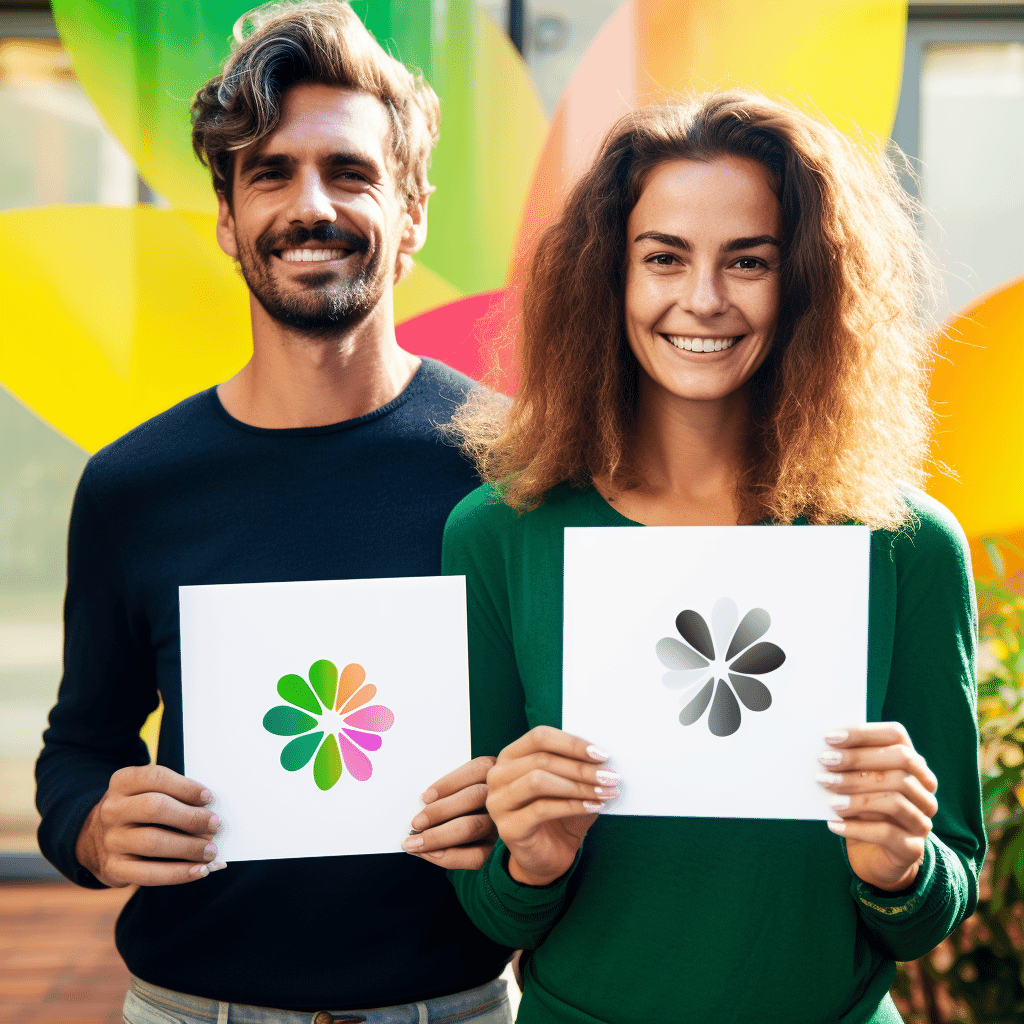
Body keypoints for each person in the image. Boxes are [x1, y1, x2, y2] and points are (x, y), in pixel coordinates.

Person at [441, 93, 986, 1023]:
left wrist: (901, 867)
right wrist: (527, 861)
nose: (703, 299)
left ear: (809, 282)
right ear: (606, 278)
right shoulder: (500, 534)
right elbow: (486, 909)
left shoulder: (906, 547)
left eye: (750, 262)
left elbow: (940, 893)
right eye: (663, 258)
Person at [35, 3, 514, 1022]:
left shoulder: (512, 467)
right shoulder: (133, 485)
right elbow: (78, 750)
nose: (311, 205)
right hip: (191, 1003)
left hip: (454, 1004)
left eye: (349, 172)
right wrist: (90, 826)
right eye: (271, 172)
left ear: (413, 208)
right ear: (225, 216)